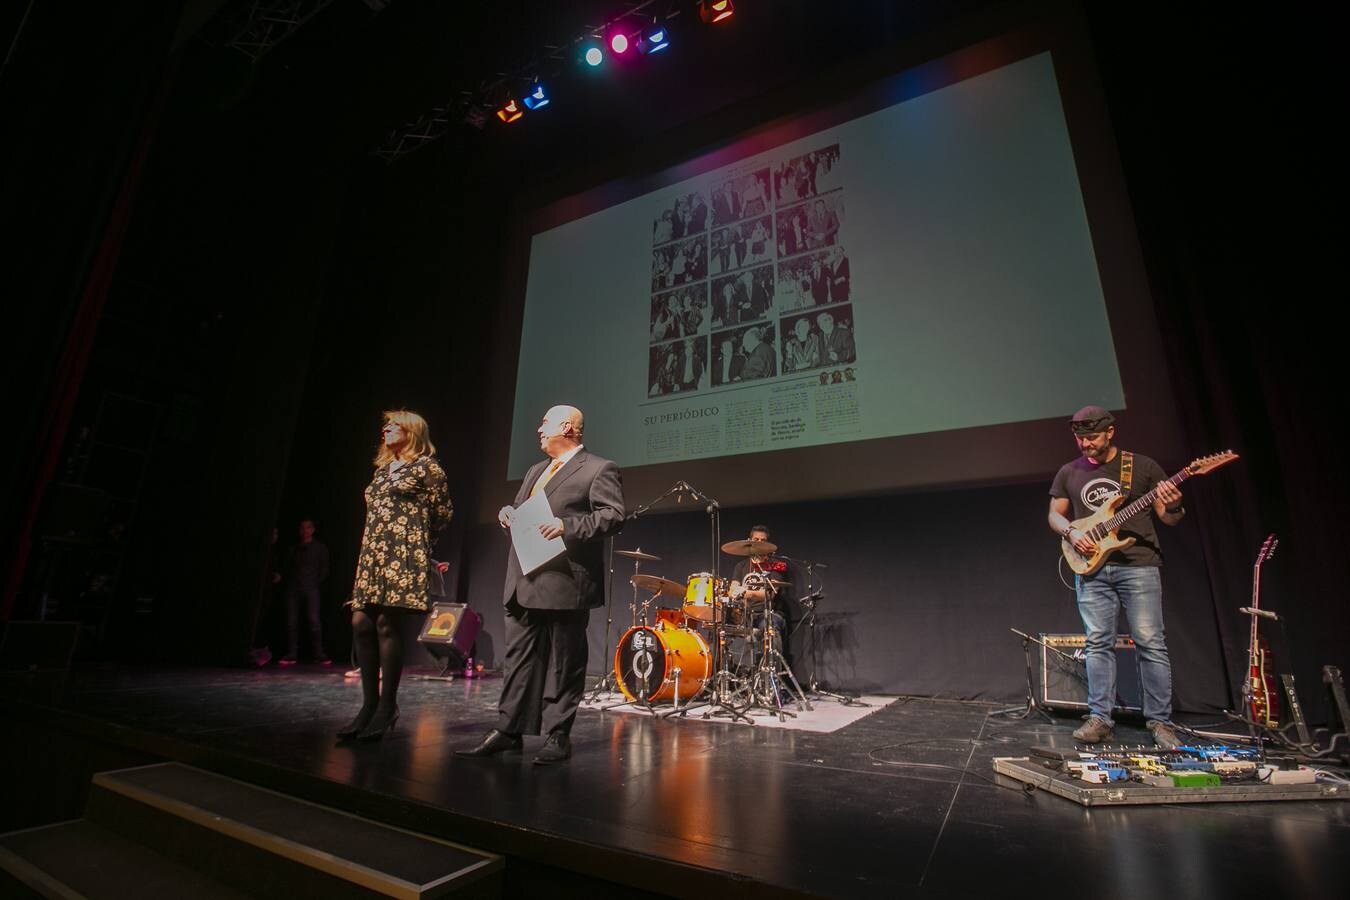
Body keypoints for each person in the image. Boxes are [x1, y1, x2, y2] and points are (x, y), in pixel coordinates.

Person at [459, 405, 624, 764]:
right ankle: (509, 729)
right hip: (524, 578)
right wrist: (508, 513)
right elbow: (523, 510)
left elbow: (613, 516)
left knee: (565, 661)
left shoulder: (598, 468)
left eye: (544, 423)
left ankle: (557, 734)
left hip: (565, 580)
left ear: (567, 427)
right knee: (518, 658)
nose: (537, 429)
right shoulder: (536, 470)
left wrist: (568, 527)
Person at [1047, 406, 1185, 749]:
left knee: (1150, 642)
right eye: (1080, 438)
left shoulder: (1142, 467)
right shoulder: (1069, 472)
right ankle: (1100, 719)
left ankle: (1161, 723)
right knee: (1097, 643)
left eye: (1092, 437)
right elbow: (1054, 514)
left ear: (1110, 432)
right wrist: (1070, 533)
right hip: (1091, 567)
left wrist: (1175, 505)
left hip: (1139, 564)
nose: (1085, 444)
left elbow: (1169, 520)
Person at [337, 410, 453, 742]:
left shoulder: (427, 468)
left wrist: (417, 544)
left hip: (403, 556)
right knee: (360, 623)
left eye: (394, 425)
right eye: (386, 425)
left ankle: (387, 707)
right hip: (373, 555)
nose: (386, 428)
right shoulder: (383, 470)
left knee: (387, 624)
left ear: (412, 432)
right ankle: (368, 706)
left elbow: (443, 512)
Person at [729, 525, 796, 671]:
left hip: (769, 613)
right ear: (749, 541)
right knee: (721, 629)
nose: (759, 542)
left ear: (767, 543)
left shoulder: (775, 566)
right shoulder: (741, 566)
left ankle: (774, 680)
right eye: (756, 539)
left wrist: (748, 593)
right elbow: (732, 588)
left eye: (762, 540)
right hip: (746, 614)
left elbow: (770, 594)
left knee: (770, 628)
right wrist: (734, 592)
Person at [279, 518, 330, 665]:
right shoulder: (293, 548)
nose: (305, 531)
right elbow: (287, 567)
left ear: (312, 530)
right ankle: (292, 653)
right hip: (293, 589)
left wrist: (314, 582)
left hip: (311, 588)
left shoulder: (320, 548)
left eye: (308, 528)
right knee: (291, 622)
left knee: (314, 621)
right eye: (302, 528)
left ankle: (318, 653)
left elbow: (324, 568)